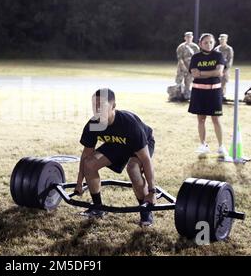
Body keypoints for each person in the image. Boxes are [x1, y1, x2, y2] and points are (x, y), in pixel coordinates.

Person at [74, 88, 157, 227]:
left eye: (102, 105)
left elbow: (146, 160)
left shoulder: (129, 124)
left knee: (133, 168)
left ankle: (146, 211)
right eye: (94, 105)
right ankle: (98, 207)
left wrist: (152, 191)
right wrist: (79, 182)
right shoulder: (94, 124)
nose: (97, 109)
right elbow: (86, 154)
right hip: (116, 143)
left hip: (141, 143)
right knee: (89, 163)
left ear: (113, 106)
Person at [188, 33, 227, 157]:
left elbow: (219, 72)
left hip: (214, 92)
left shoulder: (218, 55)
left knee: (216, 119)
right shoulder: (195, 57)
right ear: (200, 44)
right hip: (199, 92)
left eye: (211, 42)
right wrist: (211, 72)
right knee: (201, 119)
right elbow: (194, 74)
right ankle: (203, 145)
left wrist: (202, 73)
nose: (208, 44)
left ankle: (221, 146)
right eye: (205, 42)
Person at [174, 32, 200, 100]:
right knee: (179, 81)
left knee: (188, 82)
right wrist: (183, 67)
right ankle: (177, 95)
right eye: (187, 37)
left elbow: (197, 58)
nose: (189, 38)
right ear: (185, 38)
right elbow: (180, 59)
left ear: (192, 37)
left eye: (190, 37)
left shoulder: (195, 47)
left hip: (191, 67)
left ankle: (186, 96)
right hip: (181, 67)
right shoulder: (181, 47)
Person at [214, 34, 234, 101]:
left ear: (226, 40)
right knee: (216, 83)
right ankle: (216, 96)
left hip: (225, 69)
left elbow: (230, 60)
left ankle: (222, 96)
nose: (221, 41)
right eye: (220, 39)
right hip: (217, 69)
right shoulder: (216, 49)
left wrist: (225, 70)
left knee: (223, 83)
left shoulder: (229, 49)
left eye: (223, 39)